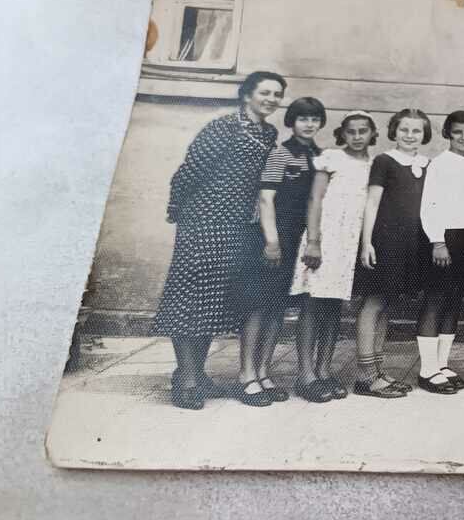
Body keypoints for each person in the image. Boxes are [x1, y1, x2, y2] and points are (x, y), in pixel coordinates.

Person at [154, 71, 284, 410]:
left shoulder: (269, 133)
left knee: (213, 300)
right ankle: (186, 379)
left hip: (237, 227)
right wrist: (179, 212)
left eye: (277, 94)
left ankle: (197, 372)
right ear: (246, 96)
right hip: (203, 222)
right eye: (265, 92)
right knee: (191, 297)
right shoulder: (222, 128)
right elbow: (188, 172)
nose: (271, 99)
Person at [235, 97, 326, 406]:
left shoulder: (319, 156)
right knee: (258, 305)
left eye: (314, 119)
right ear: (292, 122)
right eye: (302, 118)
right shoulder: (280, 153)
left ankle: (263, 372)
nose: (309, 124)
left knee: (278, 306)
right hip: (273, 238)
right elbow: (265, 200)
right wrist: (271, 241)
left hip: (299, 240)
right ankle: (246, 375)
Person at [288, 110, 377, 402]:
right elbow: (315, 199)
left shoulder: (374, 165)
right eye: (351, 131)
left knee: (334, 307)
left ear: (372, 134)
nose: (357, 136)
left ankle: (324, 370)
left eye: (363, 130)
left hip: (349, 244)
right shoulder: (331, 158)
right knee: (313, 304)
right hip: (326, 239)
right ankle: (305, 375)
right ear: (343, 134)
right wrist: (314, 241)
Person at [356, 109, 433, 398]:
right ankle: (365, 376)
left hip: (411, 243)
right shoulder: (384, 161)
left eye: (416, 131)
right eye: (404, 130)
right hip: (385, 241)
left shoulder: (426, 164)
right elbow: (372, 202)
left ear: (424, 134)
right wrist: (367, 243)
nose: (410, 135)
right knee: (373, 302)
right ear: (394, 131)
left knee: (387, 303)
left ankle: (377, 371)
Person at [416, 110, 464, 394]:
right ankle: (426, 369)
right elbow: (429, 204)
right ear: (448, 134)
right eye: (458, 132)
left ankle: (441, 364)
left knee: (454, 300)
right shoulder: (439, 164)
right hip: (445, 237)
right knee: (436, 299)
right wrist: (437, 241)